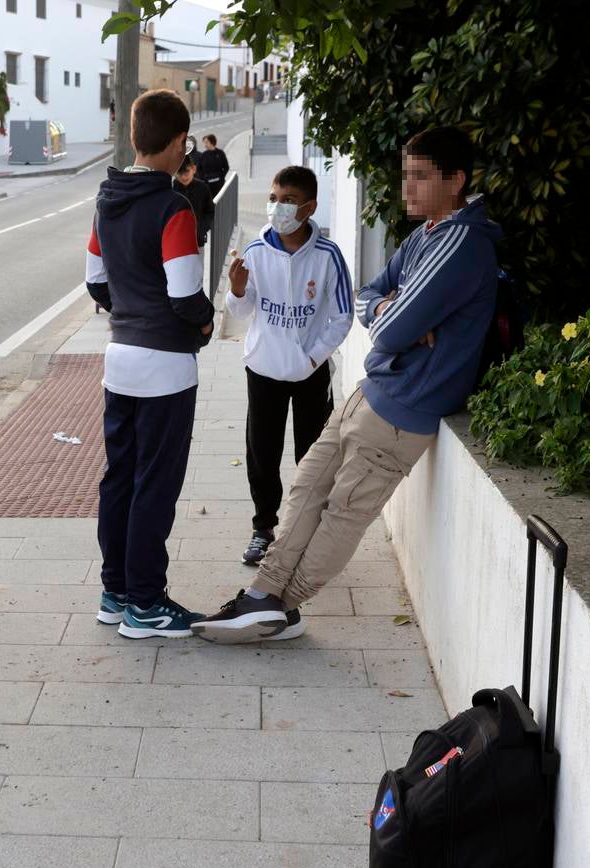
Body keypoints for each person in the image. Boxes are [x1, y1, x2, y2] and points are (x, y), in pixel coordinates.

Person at [193, 125, 502, 643]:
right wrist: (389, 308)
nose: (408, 188)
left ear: (457, 181)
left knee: (343, 514)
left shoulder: (462, 241)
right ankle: (263, 595)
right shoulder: (425, 235)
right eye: (406, 175)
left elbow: (386, 326)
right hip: (370, 391)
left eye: (421, 177)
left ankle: (283, 605)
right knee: (309, 484)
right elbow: (373, 300)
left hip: (403, 411)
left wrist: (388, 316)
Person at [85, 89, 215, 639]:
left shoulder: (106, 199)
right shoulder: (172, 207)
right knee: (154, 484)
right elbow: (186, 295)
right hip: (164, 364)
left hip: (120, 358)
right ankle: (146, 603)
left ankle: (115, 592)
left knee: (119, 478)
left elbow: (96, 281)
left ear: (135, 137)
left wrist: (133, 314)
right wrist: (205, 325)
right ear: (181, 142)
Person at [226, 165, 353, 570]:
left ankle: (307, 529)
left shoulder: (328, 256)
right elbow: (241, 310)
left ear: (310, 207)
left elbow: (342, 317)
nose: (278, 207)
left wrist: (312, 358)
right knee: (262, 451)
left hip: (310, 373)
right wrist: (237, 288)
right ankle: (263, 528)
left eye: (289, 201)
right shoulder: (256, 250)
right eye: (274, 198)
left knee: (312, 452)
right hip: (263, 370)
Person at [172, 154, 214, 248]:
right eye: (179, 174)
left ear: (194, 169)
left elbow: (210, 212)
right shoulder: (171, 189)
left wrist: (201, 229)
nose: (183, 177)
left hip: (196, 241)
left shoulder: (203, 188)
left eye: (186, 173)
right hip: (175, 241)